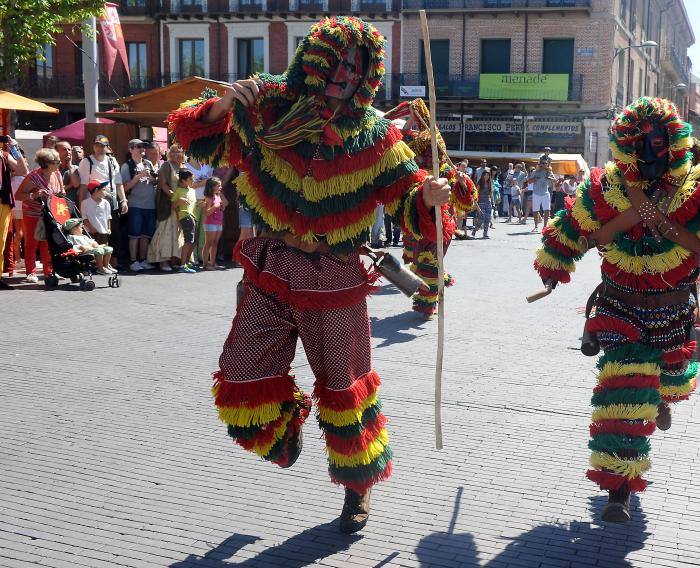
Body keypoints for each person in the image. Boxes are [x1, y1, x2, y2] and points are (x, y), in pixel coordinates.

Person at [168, 16, 451, 534]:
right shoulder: (271, 106)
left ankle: (357, 489)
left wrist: (427, 198)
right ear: (316, 61)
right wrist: (227, 102)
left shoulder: (377, 136)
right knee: (240, 374)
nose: (345, 75)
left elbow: (410, 195)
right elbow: (198, 138)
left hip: (336, 279)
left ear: (367, 74)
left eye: (356, 66)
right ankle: (287, 426)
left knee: (345, 390)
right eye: (338, 63)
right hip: (272, 265)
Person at [534, 97, 700, 523]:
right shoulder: (605, 186)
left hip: (673, 309)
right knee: (623, 390)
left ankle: (659, 398)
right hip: (619, 306)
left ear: (674, 143)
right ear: (626, 144)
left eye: (659, 142)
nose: (650, 151)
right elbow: (574, 226)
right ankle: (619, 487)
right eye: (641, 142)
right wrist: (554, 262)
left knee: (668, 382)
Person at [383, 98, 476, 319]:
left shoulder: (446, 169)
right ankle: (430, 293)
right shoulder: (411, 172)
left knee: (430, 259)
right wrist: (412, 119)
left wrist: (463, 182)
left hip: (441, 223)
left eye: (427, 153)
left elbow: (467, 201)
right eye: (421, 154)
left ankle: (428, 301)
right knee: (419, 258)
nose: (424, 156)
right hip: (416, 218)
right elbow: (398, 141)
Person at [15, 148, 63, 283]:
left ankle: (49, 271)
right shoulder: (33, 177)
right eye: (57, 161)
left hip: (50, 213)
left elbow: (61, 191)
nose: (60, 163)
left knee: (48, 243)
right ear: (47, 163)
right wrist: (34, 195)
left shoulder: (57, 174)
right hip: (33, 213)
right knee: (32, 242)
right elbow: (18, 195)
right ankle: (31, 272)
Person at [78, 135, 127, 268]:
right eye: (97, 145)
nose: (99, 148)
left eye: (102, 146)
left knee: (113, 232)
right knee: (96, 233)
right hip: (93, 203)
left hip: (111, 202)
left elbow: (118, 183)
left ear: (107, 147)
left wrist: (123, 200)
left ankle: (112, 261)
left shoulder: (112, 161)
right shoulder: (87, 162)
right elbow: (83, 185)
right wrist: (81, 205)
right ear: (94, 146)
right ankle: (96, 262)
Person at [121, 138, 158, 272]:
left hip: (150, 204)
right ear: (131, 149)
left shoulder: (148, 163)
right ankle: (133, 261)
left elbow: (155, 181)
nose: (142, 149)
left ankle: (143, 260)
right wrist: (137, 177)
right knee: (134, 234)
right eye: (138, 146)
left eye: (143, 147)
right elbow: (124, 188)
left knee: (145, 235)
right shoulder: (127, 166)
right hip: (135, 204)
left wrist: (152, 179)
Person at [147, 144, 185, 271]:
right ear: (169, 153)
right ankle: (163, 261)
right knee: (165, 231)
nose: (176, 154)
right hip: (169, 203)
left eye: (179, 152)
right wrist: (176, 199)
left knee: (177, 233)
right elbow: (163, 185)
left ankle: (174, 259)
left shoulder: (182, 166)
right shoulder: (166, 166)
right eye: (173, 152)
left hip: (180, 204)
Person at [80, 180, 116, 275]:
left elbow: (109, 217)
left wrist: (109, 228)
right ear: (96, 190)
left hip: (103, 231)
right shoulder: (85, 203)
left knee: (105, 249)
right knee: (93, 250)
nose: (106, 192)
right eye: (103, 190)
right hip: (91, 232)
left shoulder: (106, 203)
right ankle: (97, 267)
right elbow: (84, 218)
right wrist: (91, 228)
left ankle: (105, 265)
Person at [0, 136, 18, 289]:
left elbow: (23, 169)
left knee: (1, 241)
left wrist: (14, 148)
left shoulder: (4, 155)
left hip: (3, 201)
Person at [171, 169, 198, 273]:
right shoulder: (178, 191)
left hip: (193, 217)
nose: (192, 181)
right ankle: (182, 265)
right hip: (185, 216)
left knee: (194, 241)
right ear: (182, 181)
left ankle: (186, 262)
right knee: (188, 241)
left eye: (193, 179)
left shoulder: (192, 190)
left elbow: (193, 203)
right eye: (190, 179)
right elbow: (173, 206)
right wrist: (180, 200)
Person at [202, 176, 227, 270]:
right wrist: (215, 207)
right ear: (212, 187)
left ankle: (212, 263)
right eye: (218, 186)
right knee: (208, 243)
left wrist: (221, 205)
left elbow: (224, 205)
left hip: (218, 223)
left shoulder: (218, 196)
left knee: (215, 243)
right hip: (210, 223)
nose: (220, 187)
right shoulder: (208, 198)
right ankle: (205, 264)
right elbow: (207, 212)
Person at [528, 161, 556, 233]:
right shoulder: (535, 171)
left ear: (547, 164)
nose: (544, 164)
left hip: (545, 193)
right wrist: (534, 179)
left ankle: (545, 226)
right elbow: (529, 181)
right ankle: (536, 226)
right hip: (536, 193)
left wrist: (551, 179)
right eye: (543, 163)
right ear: (540, 164)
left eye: (546, 163)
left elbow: (555, 181)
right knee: (535, 210)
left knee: (547, 210)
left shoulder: (549, 172)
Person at [55, 141, 81, 206]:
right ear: (56, 152)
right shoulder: (52, 169)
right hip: (56, 205)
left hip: (71, 205)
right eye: (64, 149)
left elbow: (76, 184)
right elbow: (55, 190)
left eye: (69, 149)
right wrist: (69, 185)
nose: (68, 152)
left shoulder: (75, 168)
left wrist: (69, 165)